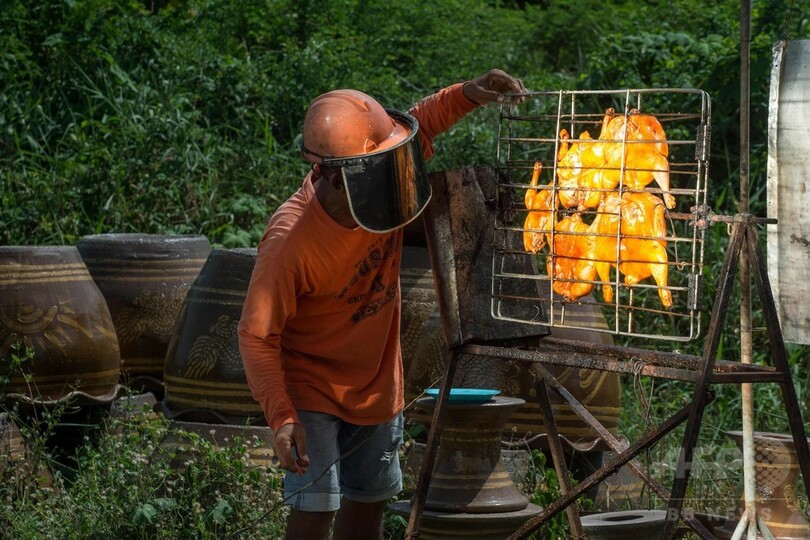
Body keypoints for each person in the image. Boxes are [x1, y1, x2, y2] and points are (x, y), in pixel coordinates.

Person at [238, 69, 527, 540]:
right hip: (311, 385)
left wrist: (470, 93)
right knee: (315, 506)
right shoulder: (291, 243)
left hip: (375, 383)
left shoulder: (380, 178)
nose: (388, 179)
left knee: (369, 502)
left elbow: (422, 124)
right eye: (375, 173)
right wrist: (282, 417)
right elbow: (256, 334)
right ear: (333, 177)